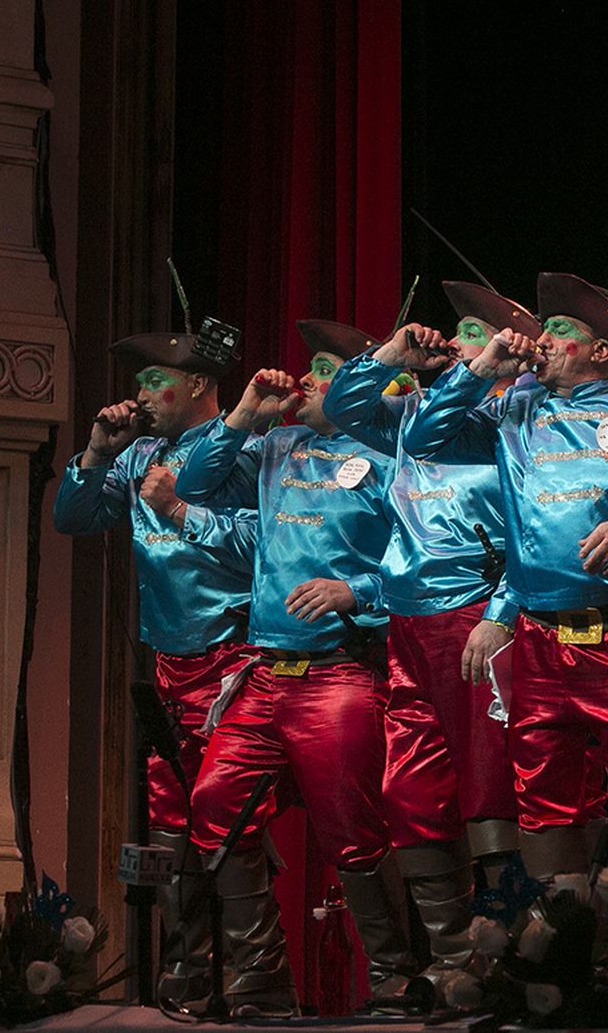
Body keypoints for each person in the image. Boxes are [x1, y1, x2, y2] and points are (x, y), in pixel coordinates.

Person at [395, 273, 608, 966]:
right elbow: (422, 436)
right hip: (540, 639)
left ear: (601, 350)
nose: (544, 342)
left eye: (561, 332)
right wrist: (481, 370)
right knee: (542, 800)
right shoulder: (514, 410)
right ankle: (562, 952)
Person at [176, 319, 412, 1013]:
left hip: (341, 672)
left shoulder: (387, 454)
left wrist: (357, 592)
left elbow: (421, 562)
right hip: (267, 672)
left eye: (323, 369)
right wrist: (243, 416)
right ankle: (262, 970)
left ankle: (396, 975)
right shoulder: (278, 444)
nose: (305, 380)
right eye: (306, 367)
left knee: (353, 829)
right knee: (214, 802)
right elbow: (197, 482)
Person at [322, 283, 532, 987]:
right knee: (412, 789)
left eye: (476, 332)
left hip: (474, 617)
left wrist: (503, 609)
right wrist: (391, 354)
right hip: (410, 626)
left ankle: (506, 955)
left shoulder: (512, 416)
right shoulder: (411, 412)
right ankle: (449, 963)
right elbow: (342, 406)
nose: (456, 340)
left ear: (509, 347)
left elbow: (538, 530)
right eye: (459, 331)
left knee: (490, 791)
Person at [53, 328, 256, 1012]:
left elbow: (263, 544)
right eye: (137, 382)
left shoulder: (244, 447)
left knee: (224, 815)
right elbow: (73, 517)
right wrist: (94, 453)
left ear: (198, 385)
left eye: (152, 381)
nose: (139, 395)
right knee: (169, 819)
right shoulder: (139, 451)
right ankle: (186, 968)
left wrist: (180, 509)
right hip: (169, 662)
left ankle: (255, 974)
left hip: (236, 654)